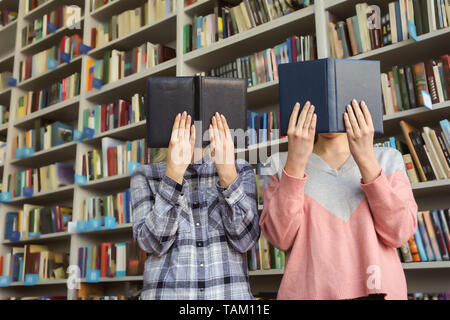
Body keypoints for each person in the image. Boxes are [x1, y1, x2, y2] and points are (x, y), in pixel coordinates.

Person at [259, 100, 418, 300]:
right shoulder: (278, 163)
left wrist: (367, 159)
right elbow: (279, 238)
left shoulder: (388, 158)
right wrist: (296, 163)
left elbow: (399, 233)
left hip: (378, 291)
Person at [130, 111, 260, 299]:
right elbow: (152, 244)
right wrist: (173, 175)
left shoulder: (240, 169)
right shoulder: (145, 175)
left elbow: (246, 241)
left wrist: (227, 175)